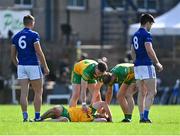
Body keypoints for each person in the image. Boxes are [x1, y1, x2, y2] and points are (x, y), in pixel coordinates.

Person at [11, 15, 49, 122]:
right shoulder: (34, 35)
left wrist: (18, 65)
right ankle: (37, 117)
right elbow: (39, 52)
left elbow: (12, 56)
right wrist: (45, 66)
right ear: (32, 23)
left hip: (21, 66)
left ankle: (25, 117)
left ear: (24, 23)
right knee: (38, 91)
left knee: (24, 93)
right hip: (33, 65)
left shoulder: (16, 36)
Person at [131, 13, 163, 123]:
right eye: (151, 24)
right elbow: (149, 49)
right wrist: (157, 63)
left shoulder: (135, 34)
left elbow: (132, 51)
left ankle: (141, 116)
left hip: (137, 66)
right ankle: (145, 117)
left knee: (141, 92)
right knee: (152, 91)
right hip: (147, 65)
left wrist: (136, 62)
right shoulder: (146, 34)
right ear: (148, 22)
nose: (151, 26)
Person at [40, 101, 112, 122]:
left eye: (105, 115)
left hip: (68, 118)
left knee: (65, 120)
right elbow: (103, 103)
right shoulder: (91, 109)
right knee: (56, 109)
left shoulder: (91, 119)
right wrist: (110, 118)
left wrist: (108, 119)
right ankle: (40, 118)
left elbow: (103, 121)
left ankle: (43, 122)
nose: (104, 113)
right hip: (66, 110)